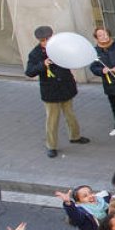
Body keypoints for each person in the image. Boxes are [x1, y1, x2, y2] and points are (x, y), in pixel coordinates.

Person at [26, 25, 88, 158]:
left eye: (48, 38)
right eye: (43, 40)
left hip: (65, 86)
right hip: (50, 91)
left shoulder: (60, 49)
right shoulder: (35, 54)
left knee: (70, 115)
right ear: (40, 41)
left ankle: (75, 136)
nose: (46, 42)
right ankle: (51, 146)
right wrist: (43, 64)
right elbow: (29, 72)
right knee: (52, 120)